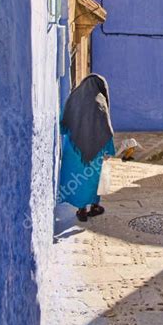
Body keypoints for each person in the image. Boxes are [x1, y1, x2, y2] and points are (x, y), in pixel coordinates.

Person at [59, 73, 115, 221]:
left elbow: (63, 123)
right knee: (92, 179)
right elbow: (106, 129)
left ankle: (81, 209)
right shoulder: (100, 101)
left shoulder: (74, 97)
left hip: (73, 148)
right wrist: (109, 149)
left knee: (76, 179)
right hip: (95, 150)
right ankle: (95, 206)